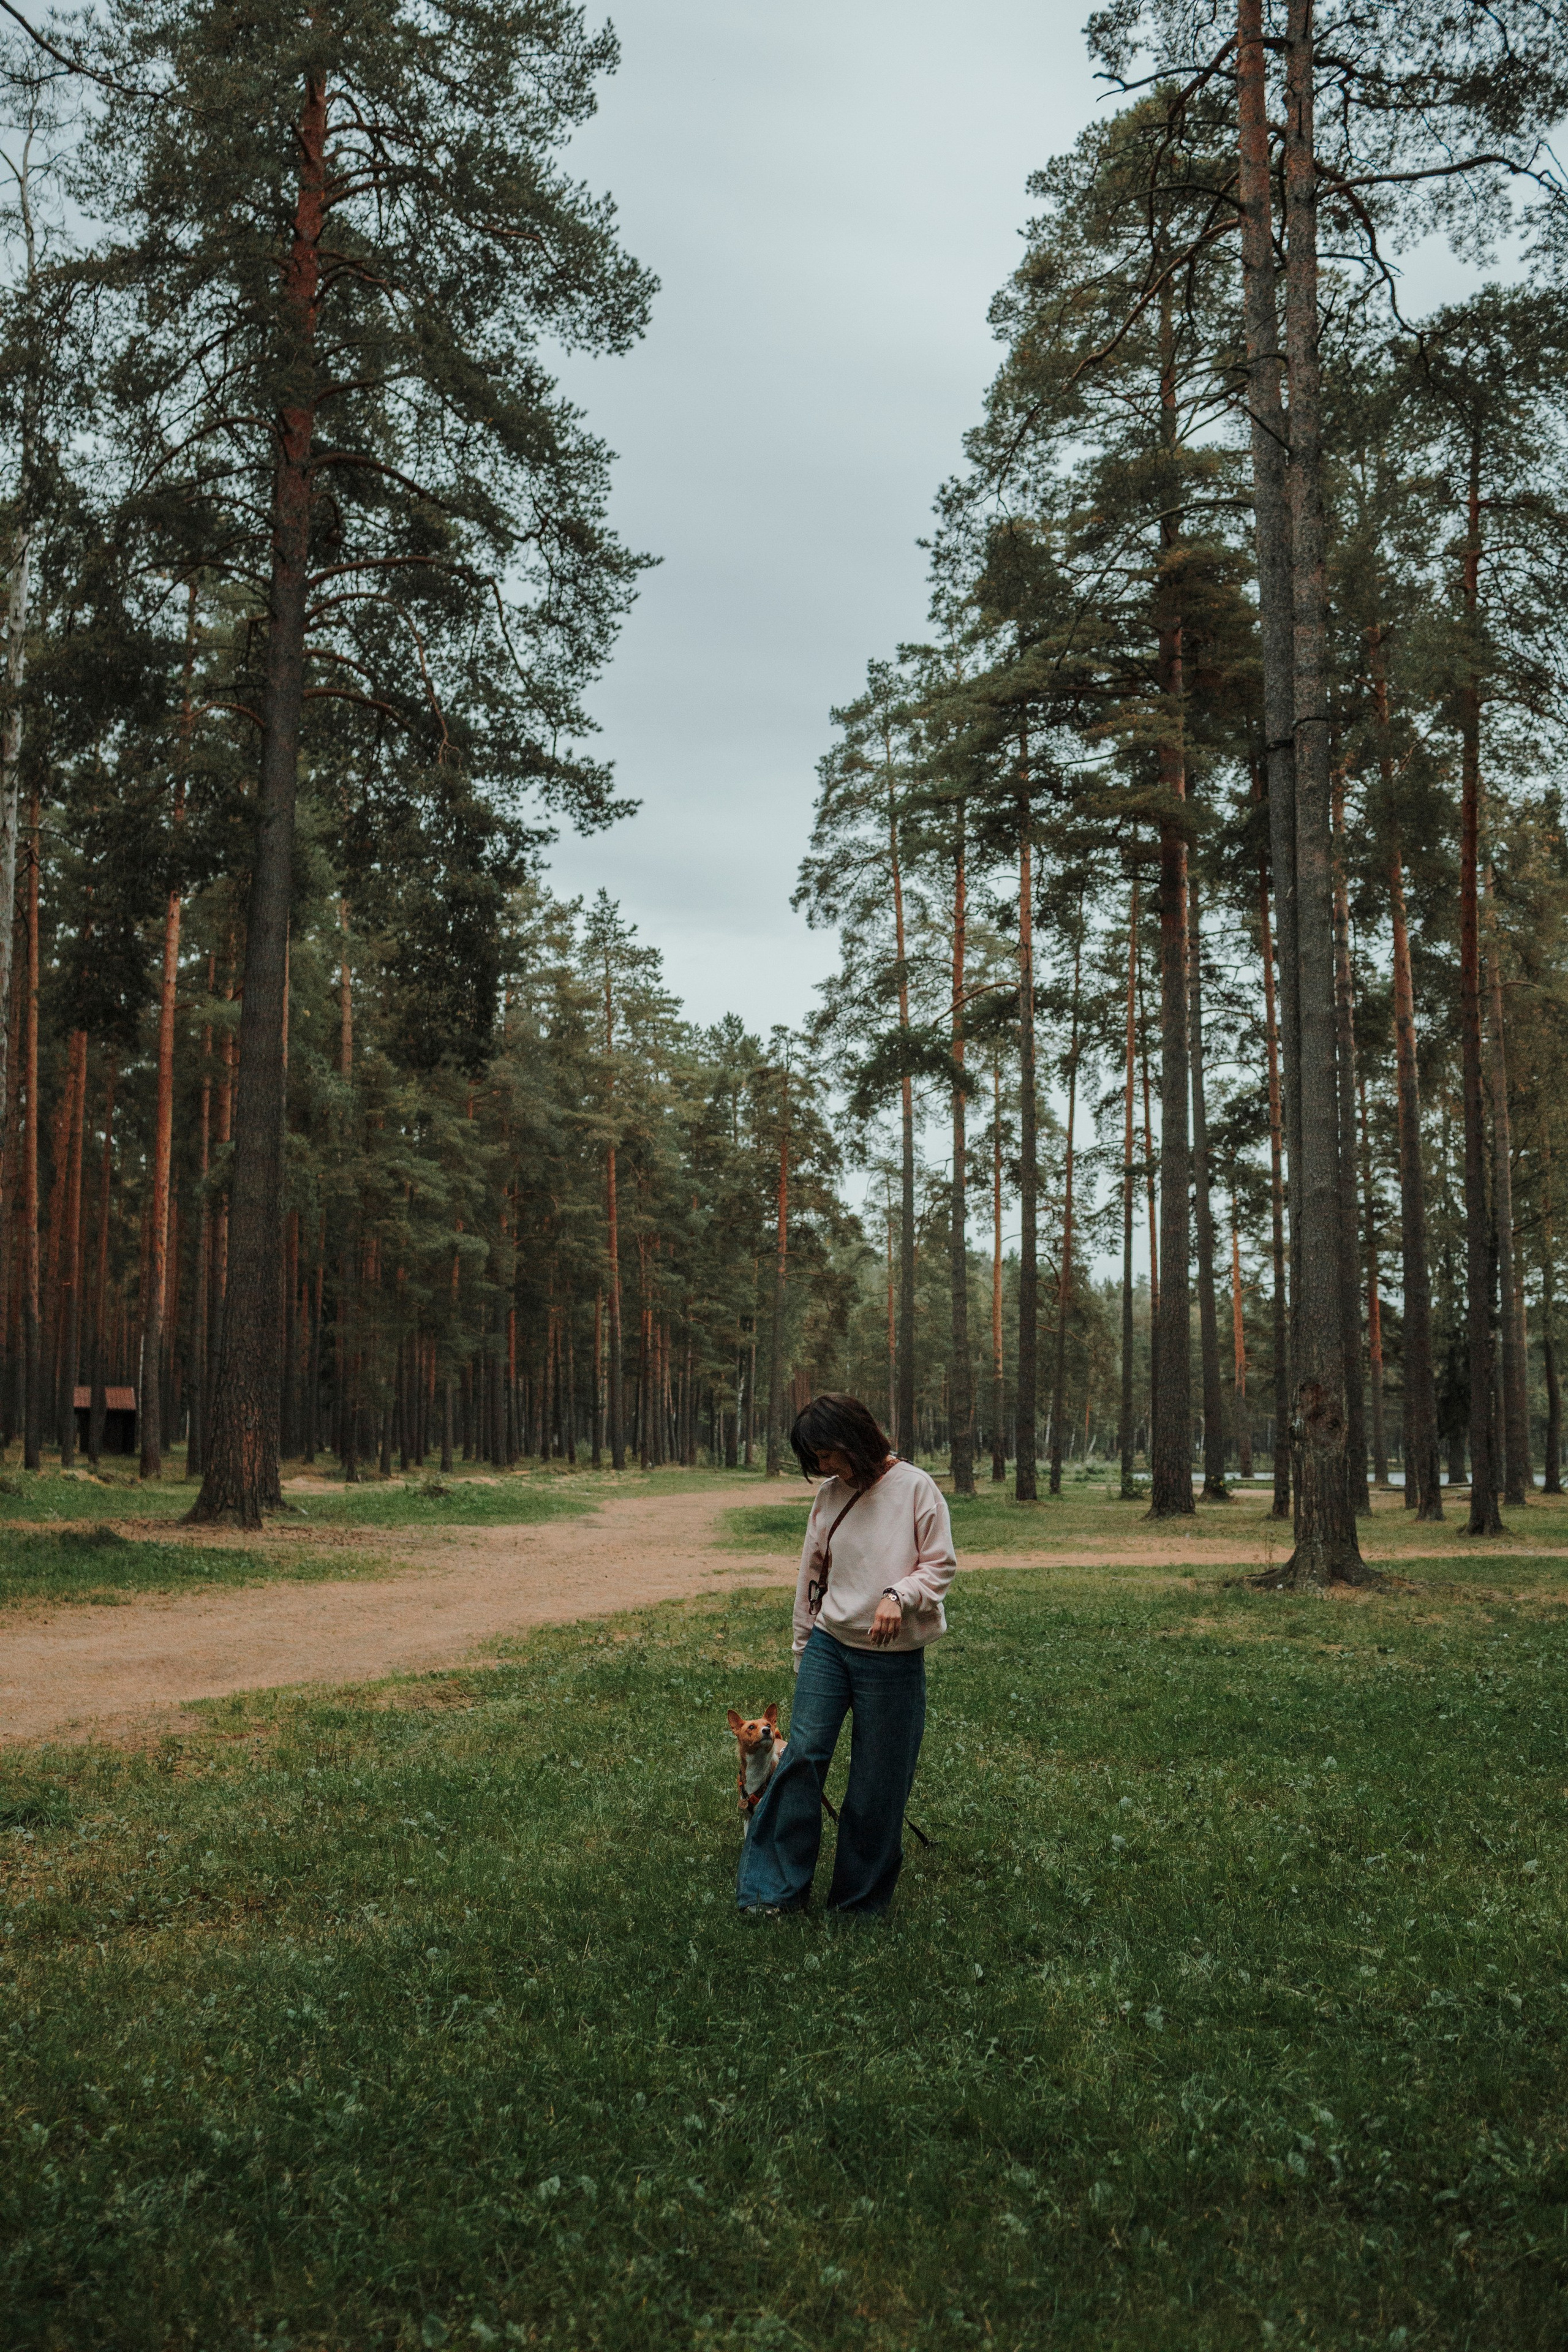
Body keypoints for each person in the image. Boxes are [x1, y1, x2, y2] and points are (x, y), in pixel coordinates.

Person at [736, 1392, 957, 1917]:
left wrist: (897, 1595)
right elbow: (812, 1576)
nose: (822, 1467)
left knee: (879, 1778)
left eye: (827, 1454)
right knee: (800, 1761)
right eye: (813, 1459)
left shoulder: (916, 1489)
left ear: (857, 1438)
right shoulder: (830, 1496)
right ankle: (772, 1893)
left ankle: (858, 1902)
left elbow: (941, 1566)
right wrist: (802, 1647)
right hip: (829, 1647)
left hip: (892, 1655)